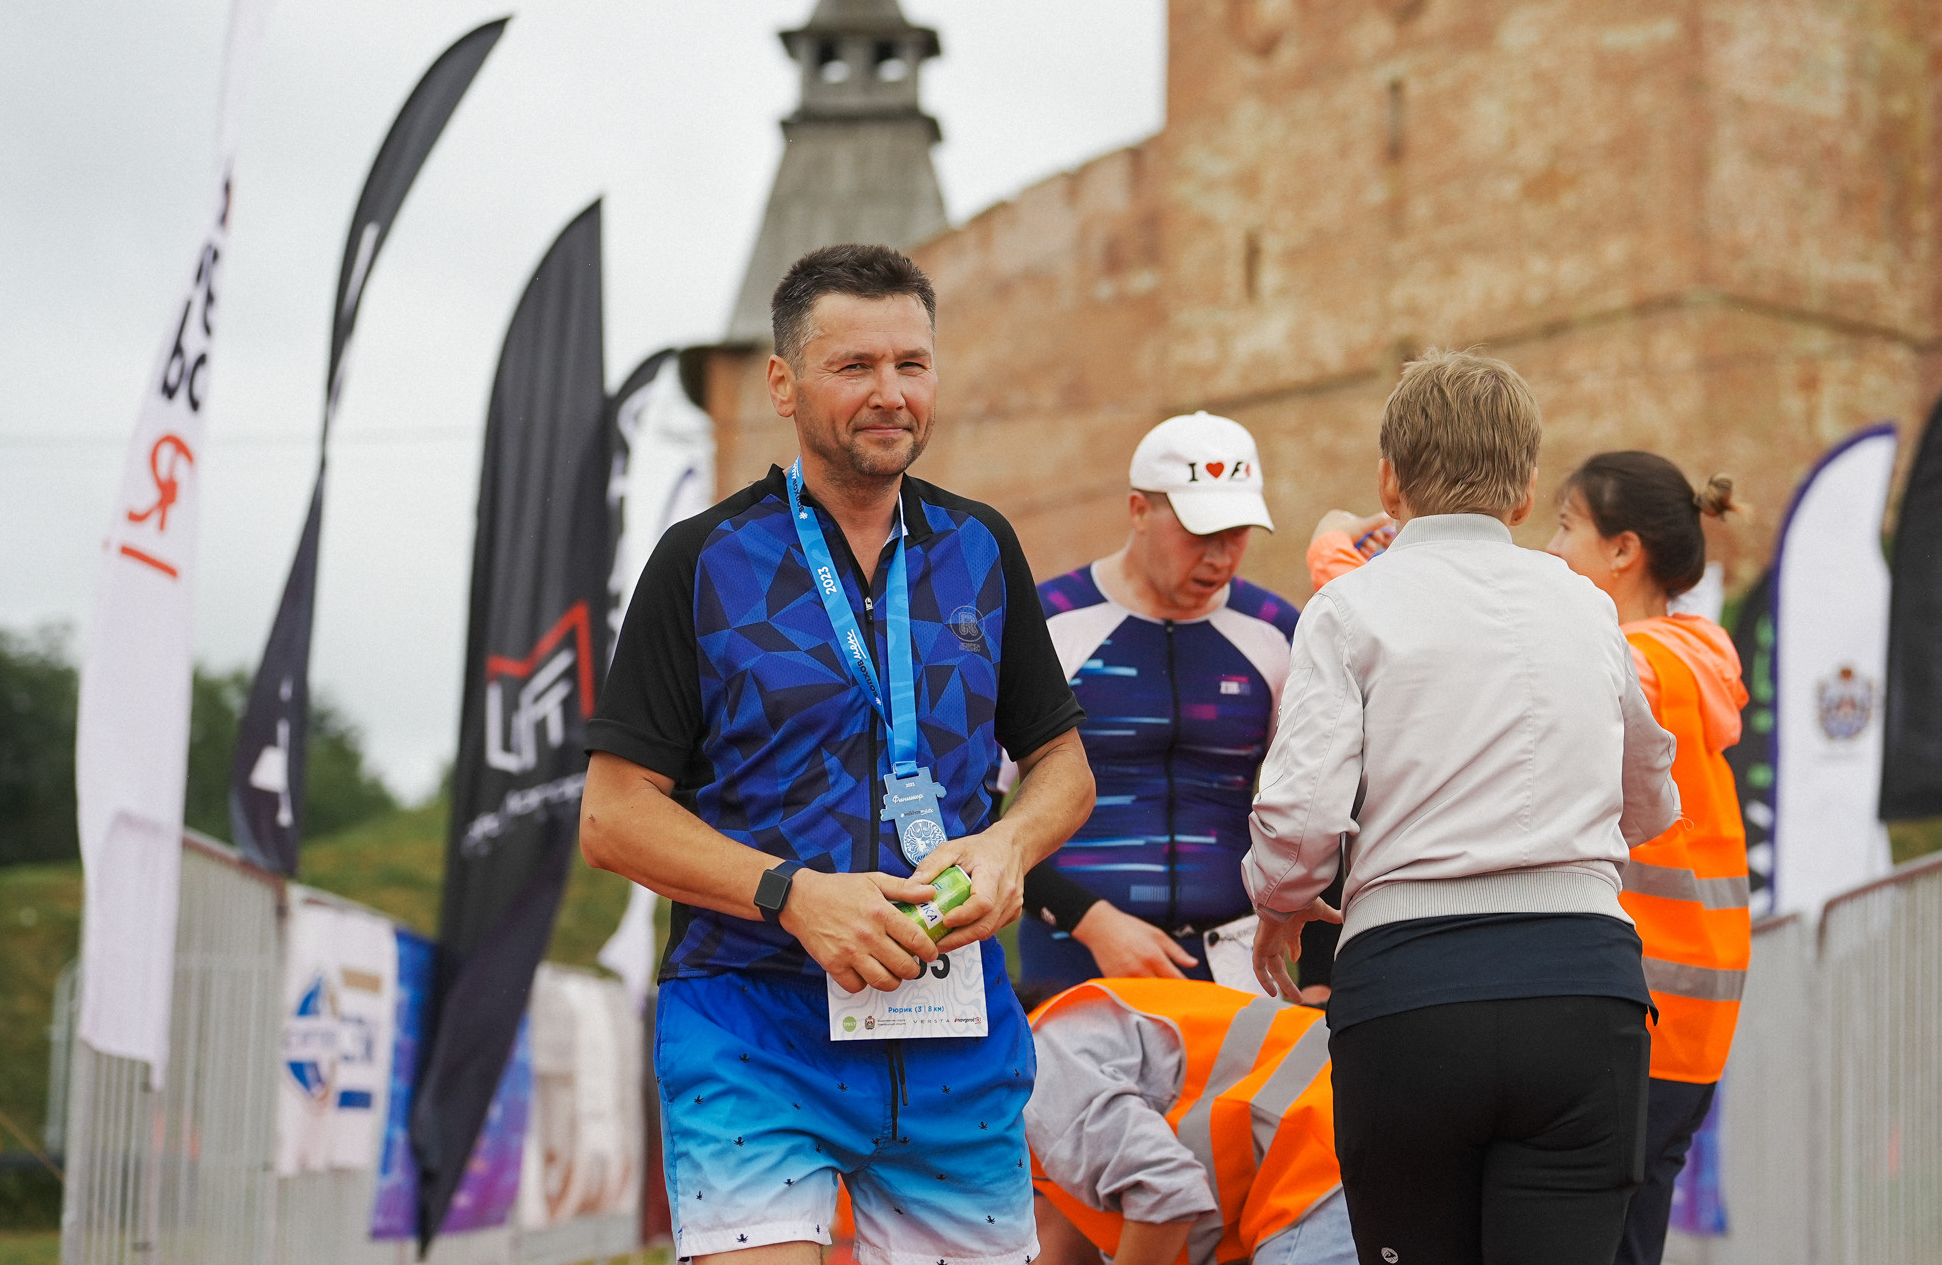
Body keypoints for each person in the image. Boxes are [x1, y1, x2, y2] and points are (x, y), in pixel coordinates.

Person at [580, 243, 1096, 1265]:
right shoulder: (703, 561)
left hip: (952, 1029)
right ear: (782, 382)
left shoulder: (980, 548)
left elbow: (1063, 767)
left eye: (911, 363)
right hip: (750, 1022)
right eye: (854, 365)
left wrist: (1007, 847)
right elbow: (614, 814)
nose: (890, 393)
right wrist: (794, 895)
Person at [1241, 350, 1681, 1265]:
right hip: (1580, 988)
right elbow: (1647, 792)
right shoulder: (1588, 608)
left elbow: (1299, 816)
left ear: (1388, 481)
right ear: (1523, 492)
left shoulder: (1348, 606)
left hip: (1410, 996)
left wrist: (1282, 906)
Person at [1022, 412, 1319, 993]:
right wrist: (1091, 922)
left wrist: (1326, 977)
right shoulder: (1047, 621)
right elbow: (969, 810)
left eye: (1237, 532)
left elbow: (1327, 808)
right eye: (1199, 532)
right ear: (1138, 511)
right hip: (1075, 965)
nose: (1221, 555)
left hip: (1235, 971)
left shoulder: (1280, 631)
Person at [1543, 454, 1749, 1265]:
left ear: (1622, 550)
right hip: (1684, 1017)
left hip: (1639, 1011)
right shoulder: (1698, 652)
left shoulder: (1643, 664)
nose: (1551, 550)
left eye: (1566, 528)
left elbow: (1545, 662)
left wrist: (1349, 572)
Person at [1025, 978, 1353, 1265]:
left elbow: (1168, 1193)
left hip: (1321, 1155)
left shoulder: (1034, 1073)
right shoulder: (1058, 1041)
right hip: (1354, 1125)